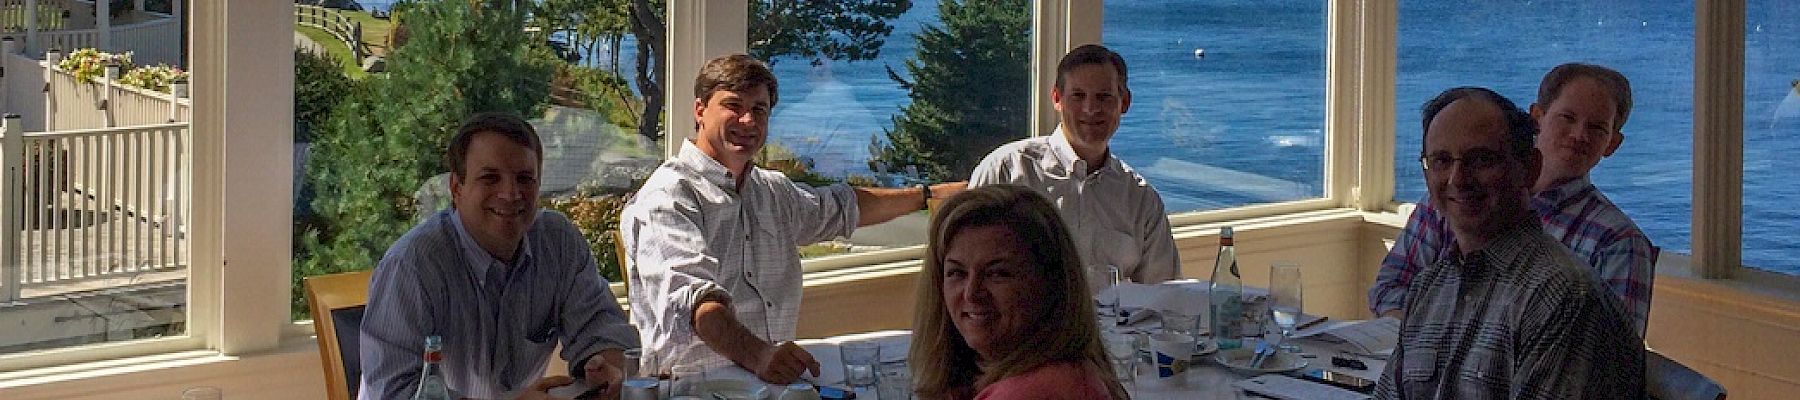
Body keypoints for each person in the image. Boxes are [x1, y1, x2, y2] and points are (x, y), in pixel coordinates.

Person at [621, 54, 965, 384]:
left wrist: (927, 194)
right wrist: (759, 356)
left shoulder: (771, 191)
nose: (748, 121)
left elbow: (843, 207)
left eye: (759, 109)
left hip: (769, 385)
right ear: (700, 110)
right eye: (733, 106)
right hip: (691, 387)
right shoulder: (668, 197)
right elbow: (695, 302)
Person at [1373, 87, 1643, 399]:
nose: (1457, 179)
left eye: (1482, 160)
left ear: (1529, 168)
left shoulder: (1564, 298)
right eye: (1441, 161)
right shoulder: (1430, 288)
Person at [360, 112, 638, 400]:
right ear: (457, 188)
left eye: (524, 178)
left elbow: (600, 323)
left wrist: (607, 364)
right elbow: (394, 392)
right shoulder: (413, 266)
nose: (510, 193)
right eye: (490, 178)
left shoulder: (558, 243)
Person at [1368, 63, 1656, 335]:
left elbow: (1611, 357)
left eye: (1596, 128)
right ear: (1537, 118)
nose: (1579, 135)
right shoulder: (1452, 199)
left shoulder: (1618, 242)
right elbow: (1390, 286)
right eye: (1567, 118)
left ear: (1613, 144)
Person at [968, 44, 1179, 284]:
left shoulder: (1141, 200)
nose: (1090, 109)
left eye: (1104, 97)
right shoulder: (1006, 172)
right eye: (1078, 96)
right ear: (1057, 99)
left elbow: (1162, 295)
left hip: (1113, 323)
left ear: (1124, 102)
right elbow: (964, 270)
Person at [910, 184, 1128, 400]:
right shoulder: (1059, 371)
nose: (971, 293)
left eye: (997, 274)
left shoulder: (1036, 391)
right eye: (957, 273)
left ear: (1050, 283)